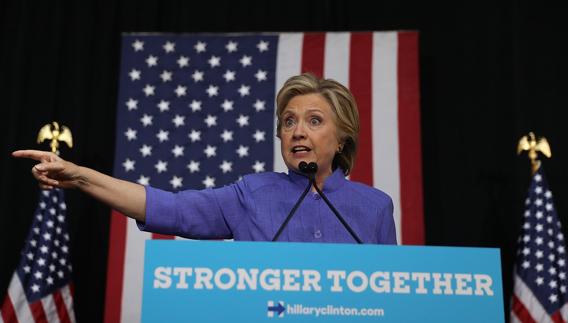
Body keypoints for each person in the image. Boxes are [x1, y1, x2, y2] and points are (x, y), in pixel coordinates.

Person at [13, 73, 397, 244]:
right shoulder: (252, 194)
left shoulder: (376, 207)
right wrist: (80, 176)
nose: (297, 131)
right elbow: (170, 208)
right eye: (289, 121)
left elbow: (392, 299)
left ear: (343, 134)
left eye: (314, 121)